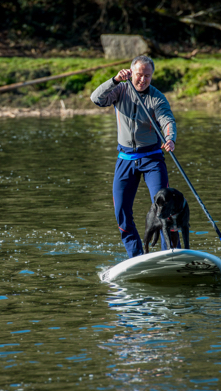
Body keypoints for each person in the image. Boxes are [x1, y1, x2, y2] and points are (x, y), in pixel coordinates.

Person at [90, 55, 178, 258]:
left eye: (148, 76)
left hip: (152, 159)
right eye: (139, 75)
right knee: (121, 211)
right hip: (125, 159)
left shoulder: (156, 97)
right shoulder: (120, 90)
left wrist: (170, 138)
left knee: (163, 208)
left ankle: (171, 254)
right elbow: (96, 99)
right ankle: (136, 255)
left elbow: (167, 120)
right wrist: (114, 80)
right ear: (131, 73)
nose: (143, 80)